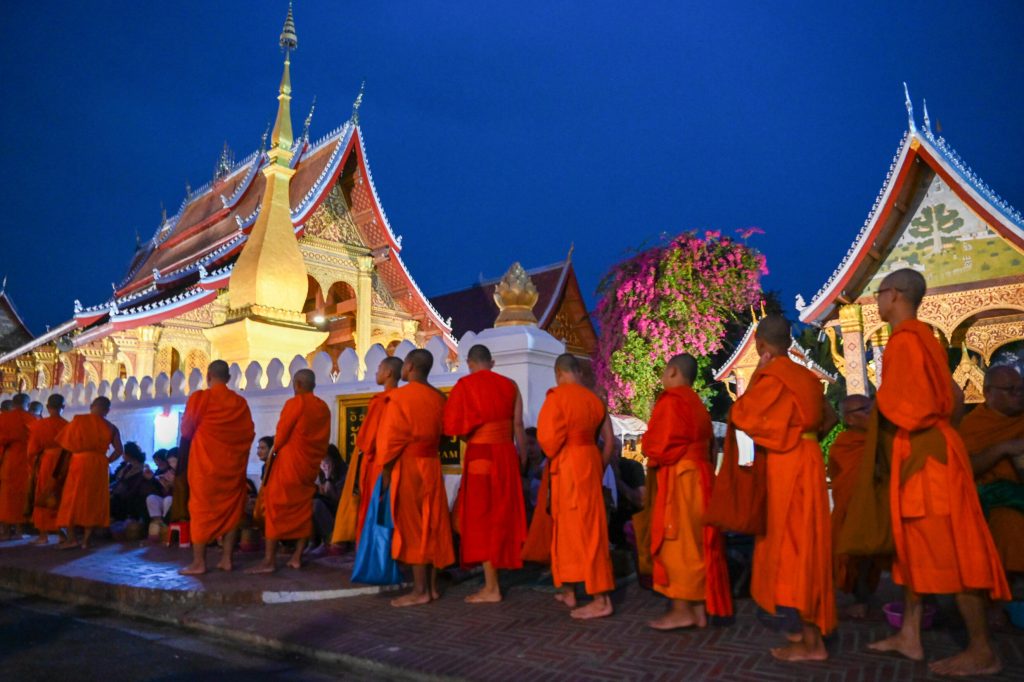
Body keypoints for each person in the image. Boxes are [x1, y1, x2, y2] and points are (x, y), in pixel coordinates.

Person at [864, 269, 1010, 676]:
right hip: (930, 449)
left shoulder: (907, 341)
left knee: (952, 551)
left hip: (927, 455)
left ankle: (982, 649)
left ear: (893, 295)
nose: (877, 302)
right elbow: (955, 399)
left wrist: (887, 413)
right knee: (915, 547)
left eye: (879, 294)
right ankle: (910, 634)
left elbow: (916, 407)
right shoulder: (923, 340)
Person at [729, 315, 836, 661]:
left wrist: (760, 372)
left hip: (788, 467)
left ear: (760, 344)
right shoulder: (805, 376)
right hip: (808, 460)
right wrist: (808, 437)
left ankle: (812, 641)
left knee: (794, 550)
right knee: (809, 546)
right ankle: (807, 634)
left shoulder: (774, 376)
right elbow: (831, 416)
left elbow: (742, 415)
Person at [642, 353, 732, 630]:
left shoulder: (672, 401)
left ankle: (682, 609)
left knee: (677, 543)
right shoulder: (697, 405)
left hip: (681, 479)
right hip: (701, 478)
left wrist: (648, 447)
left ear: (672, 372)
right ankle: (698, 609)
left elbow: (659, 445)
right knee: (696, 543)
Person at [444, 344, 528, 603]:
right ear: (491, 363)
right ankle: (496, 579)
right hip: (506, 455)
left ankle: (492, 587)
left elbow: (453, 427)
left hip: (480, 454)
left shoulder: (466, 385)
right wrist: (522, 459)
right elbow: (518, 426)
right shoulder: (511, 385)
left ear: (469, 363)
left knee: (482, 519)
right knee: (503, 514)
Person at [538, 353, 616, 620]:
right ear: (577, 372)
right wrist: (599, 466)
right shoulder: (594, 400)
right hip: (589, 462)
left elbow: (548, 444)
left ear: (558, 373)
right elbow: (609, 441)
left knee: (575, 531)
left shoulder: (556, 398)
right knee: (583, 529)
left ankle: (601, 598)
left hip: (568, 466)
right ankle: (569, 590)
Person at [376, 348, 455, 606]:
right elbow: (446, 436)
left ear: (408, 367)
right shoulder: (439, 397)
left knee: (412, 526)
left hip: (408, 466)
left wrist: (386, 473)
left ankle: (420, 590)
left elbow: (389, 440)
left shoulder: (399, 397)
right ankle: (431, 588)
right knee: (432, 523)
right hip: (431, 464)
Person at [248, 369, 331, 573]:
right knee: (302, 511)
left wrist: (272, 459)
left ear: (298, 384)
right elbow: (323, 441)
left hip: (288, 466)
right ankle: (296, 557)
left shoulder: (296, 403)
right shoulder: (323, 407)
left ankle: (269, 561)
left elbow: (281, 436)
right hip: (308, 467)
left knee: (275, 510)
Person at [179, 360, 255, 575]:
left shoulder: (200, 398)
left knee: (201, 511)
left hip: (205, 467)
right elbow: (249, 434)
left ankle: (199, 563)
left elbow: (186, 430)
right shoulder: (240, 403)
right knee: (231, 512)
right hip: (232, 467)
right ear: (229, 378)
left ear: (208, 374)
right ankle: (226, 559)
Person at [958, 365, 1024, 578]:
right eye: (1010, 389)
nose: (1018, 394)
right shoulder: (972, 425)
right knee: (1010, 524)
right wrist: (1001, 449)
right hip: (993, 498)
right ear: (988, 392)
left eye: (1021, 388)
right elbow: (965, 469)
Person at [332, 356, 403, 547]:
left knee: (373, 509)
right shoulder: (403, 399)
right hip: (398, 464)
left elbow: (367, 441)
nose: (376, 372)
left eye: (379, 368)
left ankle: (371, 555)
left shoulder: (381, 401)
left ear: (388, 373)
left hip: (377, 465)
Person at [828, 395, 885, 619]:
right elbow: (842, 480)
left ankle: (865, 598)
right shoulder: (843, 446)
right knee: (855, 554)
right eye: (865, 410)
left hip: (877, 505)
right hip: (852, 508)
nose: (872, 415)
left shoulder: (880, 440)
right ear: (849, 419)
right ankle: (859, 600)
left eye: (872, 409)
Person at [55, 397, 124, 549]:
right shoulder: (111, 427)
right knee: (93, 500)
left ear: (92, 406)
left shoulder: (78, 421)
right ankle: (86, 540)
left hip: (79, 462)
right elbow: (120, 450)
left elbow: (65, 444)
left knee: (72, 499)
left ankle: (71, 538)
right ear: (107, 410)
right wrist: (106, 460)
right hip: (99, 465)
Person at [27, 394, 69, 545]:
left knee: (43, 494)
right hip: (64, 463)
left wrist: (33, 466)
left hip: (46, 462)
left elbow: (32, 450)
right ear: (63, 407)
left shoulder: (38, 426)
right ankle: (61, 533)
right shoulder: (67, 425)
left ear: (47, 407)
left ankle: (43, 535)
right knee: (60, 495)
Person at [0, 393, 38, 539]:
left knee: (6, 496)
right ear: (27, 405)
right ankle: (19, 530)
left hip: (8, 459)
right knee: (22, 495)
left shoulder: (3, 418)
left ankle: (5, 531)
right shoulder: (32, 419)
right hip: (26, 461)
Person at [312, 444, 345, 549]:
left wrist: (328, 477)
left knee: (316, 504)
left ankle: (332, 539)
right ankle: (313, 542)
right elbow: (323, 494)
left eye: (325, 460)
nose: (323, 464)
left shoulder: (345, 472)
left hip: (341, 510)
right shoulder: (320, 471)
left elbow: (336, 499)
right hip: (329, 506)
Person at [110, 442, 151, 521]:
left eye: (124, 453)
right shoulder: (127, 466)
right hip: (119, 493)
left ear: (129, 454)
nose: (122, 455)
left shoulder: (140, 469)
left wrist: (115, 492)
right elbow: (117, 480)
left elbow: (132, 487)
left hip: (127, 499)